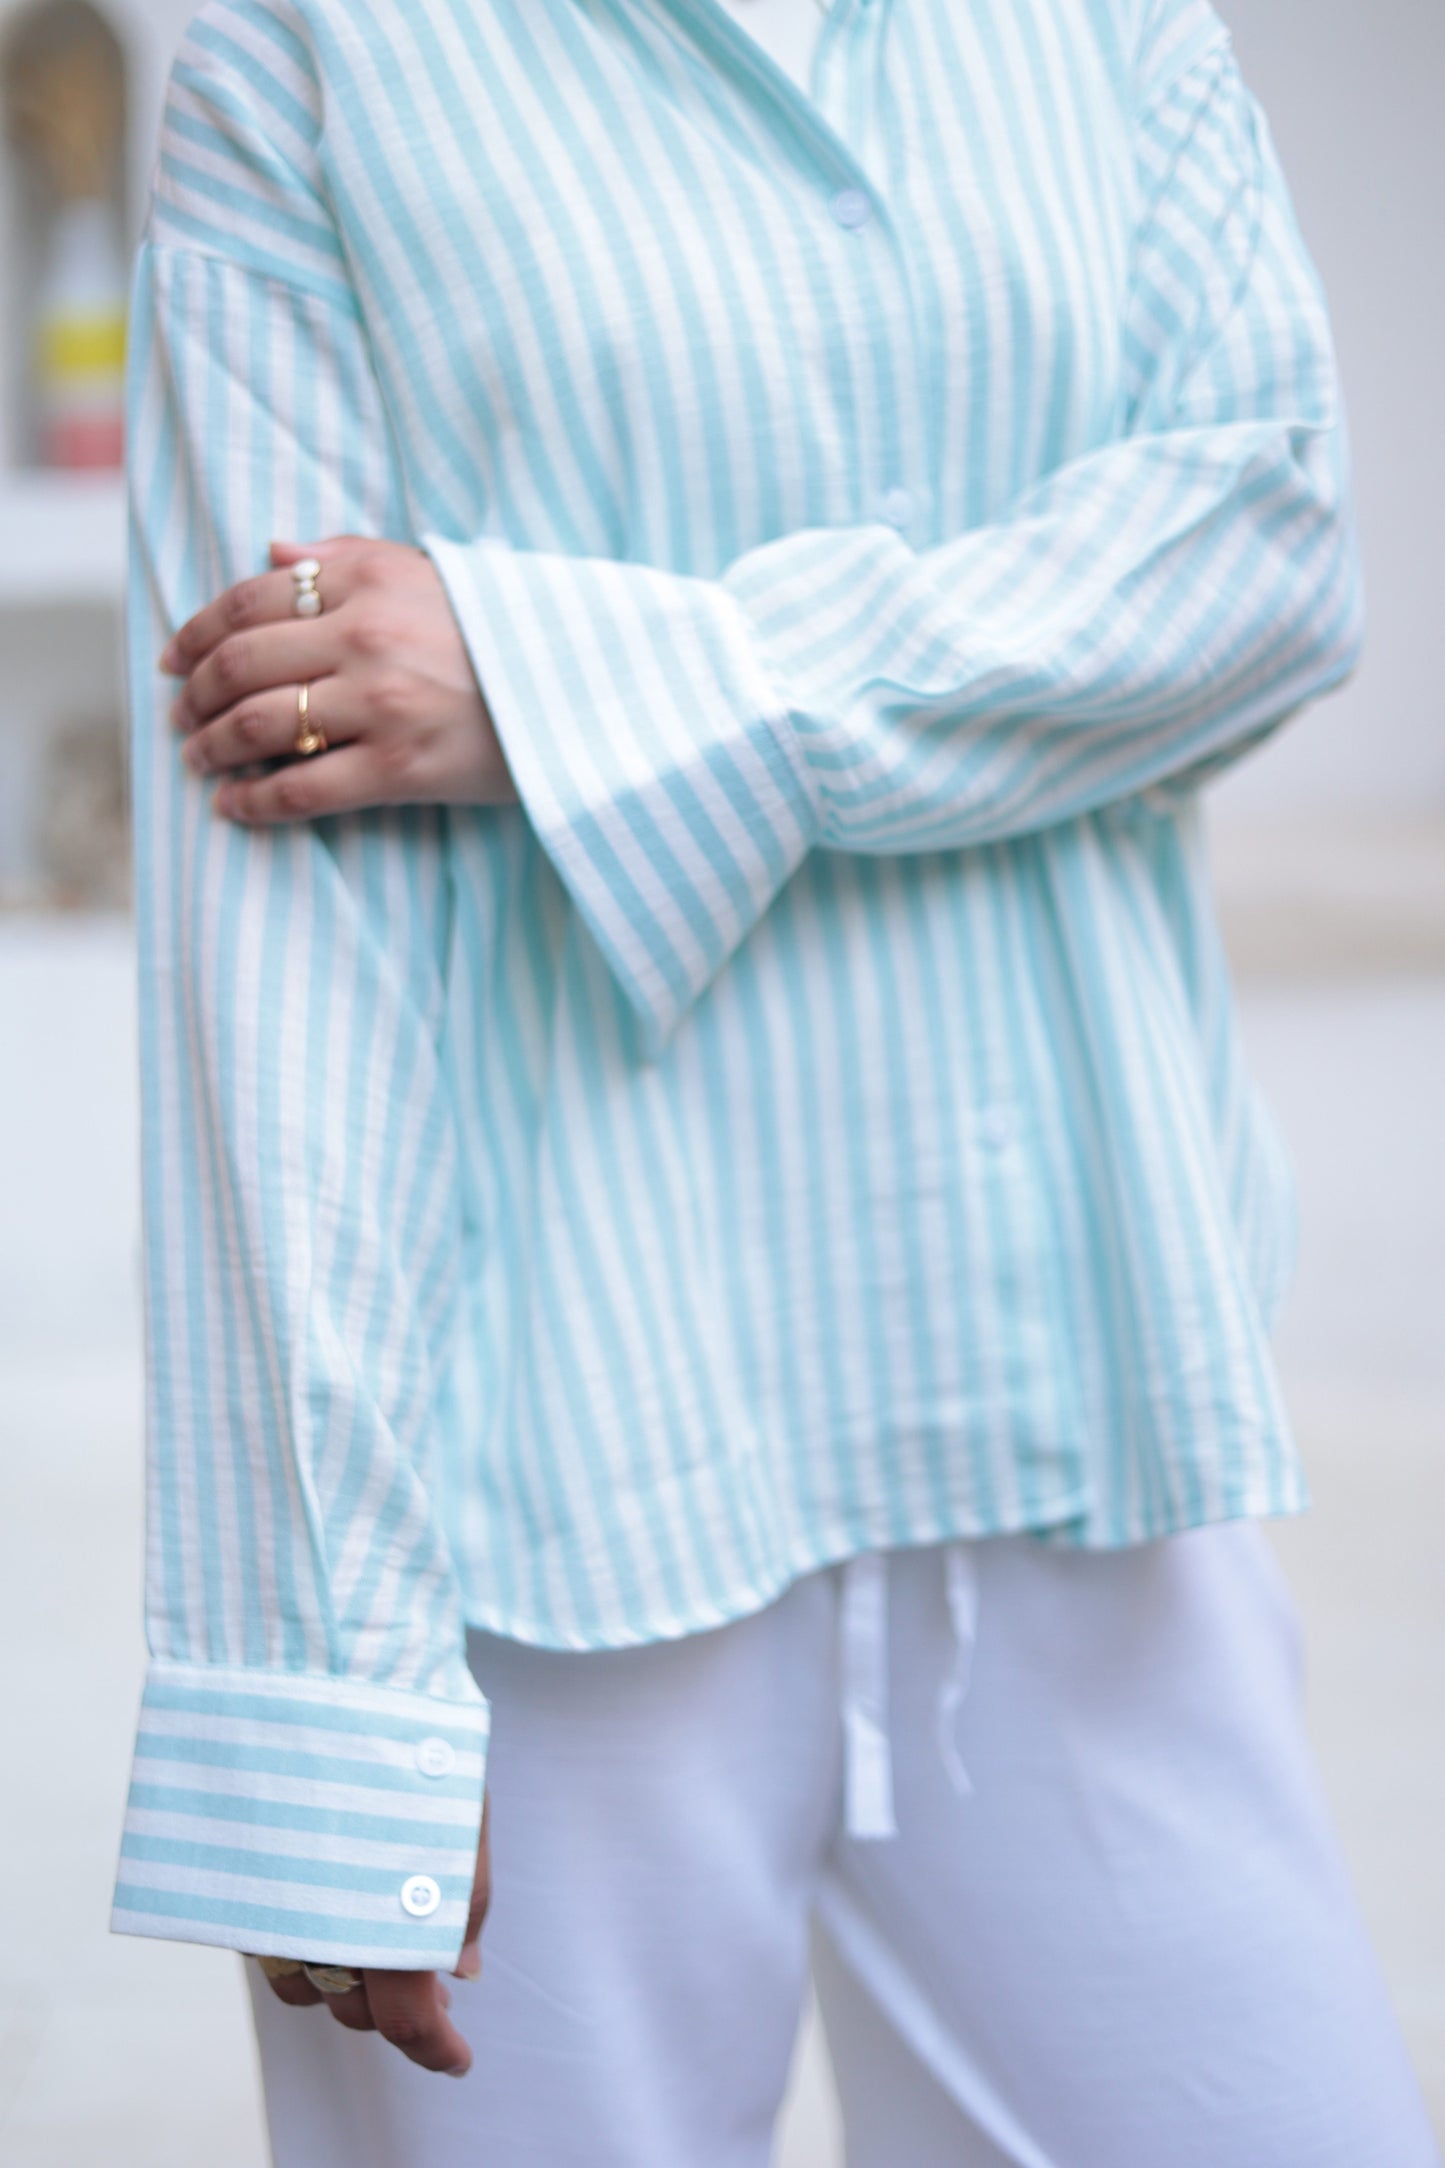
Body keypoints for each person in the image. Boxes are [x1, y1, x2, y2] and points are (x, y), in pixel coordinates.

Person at [110, 0, 1440, 2160]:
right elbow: (277, 897)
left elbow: (1270, 547)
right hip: (540, 1499)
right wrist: (315, 1664)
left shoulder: (1110, 22)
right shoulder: (316, 50)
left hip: (1067, 1420)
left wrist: (584, 680)